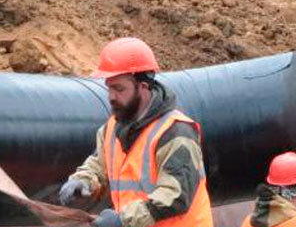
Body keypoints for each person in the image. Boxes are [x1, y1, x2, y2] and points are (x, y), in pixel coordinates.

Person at [58, 38, 214, 227]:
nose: (111, 97)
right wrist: (83, 181)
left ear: (143, 87)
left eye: (119, 89)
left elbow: (175, 197)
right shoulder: (112, 128)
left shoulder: (175, 131)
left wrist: (121, 220)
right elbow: (99, 164)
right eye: (109, 88)